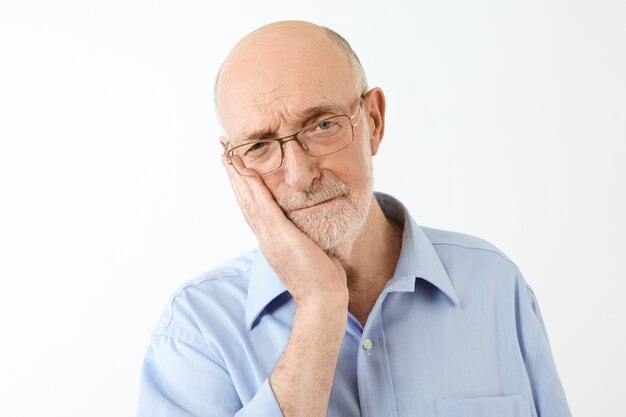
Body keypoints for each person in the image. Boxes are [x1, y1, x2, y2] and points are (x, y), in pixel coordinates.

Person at [137, 20, 571, 417]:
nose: (300, 176)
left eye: (322, 126)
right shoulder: (194, 333)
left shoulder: (495, 284)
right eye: (259, 146)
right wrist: (320, 306)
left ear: (374, 121)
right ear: (234, 166)